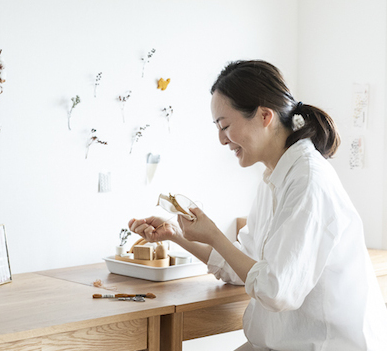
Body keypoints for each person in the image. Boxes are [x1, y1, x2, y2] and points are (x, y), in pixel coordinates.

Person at [129, 60, 387, 350]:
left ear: (265, 115)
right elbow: (243, 268)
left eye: (225, 126)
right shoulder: (274, 177)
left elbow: (275, 290)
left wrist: (213, 234)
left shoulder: (308, 181)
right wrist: (176, 236)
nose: (221, 140)